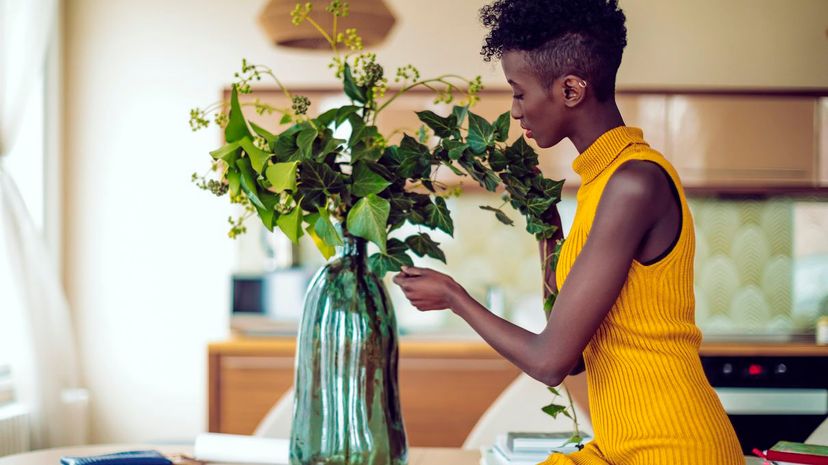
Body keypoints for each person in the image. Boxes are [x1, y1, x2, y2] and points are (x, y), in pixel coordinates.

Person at [392, 0, 744, 463]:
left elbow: (551, 362)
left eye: (519, 93)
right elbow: (578, 356)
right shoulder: (602, 182)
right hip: (620, 448)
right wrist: (548, 232)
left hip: (672, 447)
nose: (515, 112)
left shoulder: (633, 183)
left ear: (572, 89)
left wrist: (456, 298)